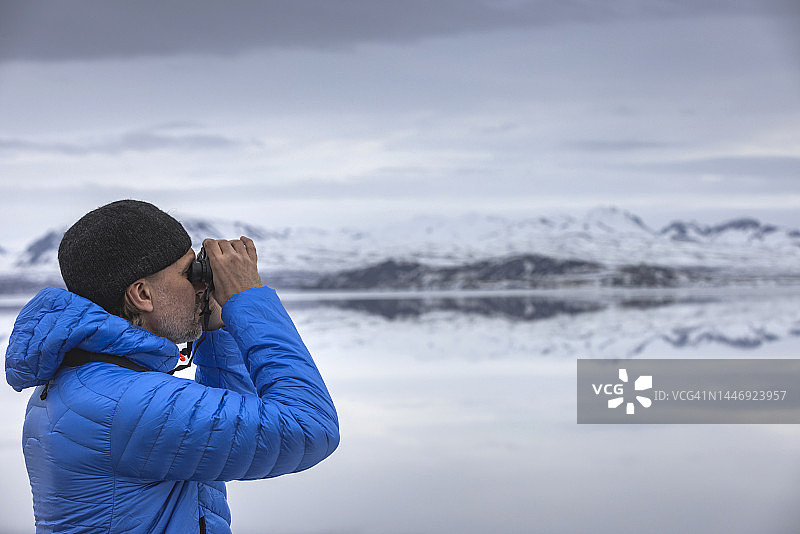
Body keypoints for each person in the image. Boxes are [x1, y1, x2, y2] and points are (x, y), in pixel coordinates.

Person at [4, 200, 339, 533]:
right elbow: (310, 427)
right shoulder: (127, 403)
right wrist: (248, 299)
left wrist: (218, 325)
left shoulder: (91, 381)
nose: (202, 285)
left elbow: (234, 422)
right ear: (142, 294)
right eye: (188, 273)